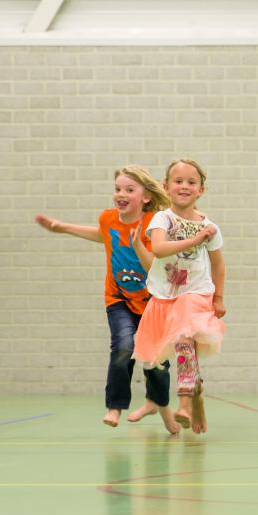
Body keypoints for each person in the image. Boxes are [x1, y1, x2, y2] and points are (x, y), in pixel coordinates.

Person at [35, 166, 177, 432]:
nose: (120, 194)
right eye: (117, 189)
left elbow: (153, 267)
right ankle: (115, 406)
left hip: (151, 301)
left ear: (145, 197)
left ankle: (161, 408)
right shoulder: (108, 219)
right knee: (124, 347)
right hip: (118, 299)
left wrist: (137, 245)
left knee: (155, 358)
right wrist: (62, 227)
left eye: (129, 190)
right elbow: (102, 235)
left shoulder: (152, 224)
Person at [133, 159, 226, 433]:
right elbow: (160, 249)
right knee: (171, 356)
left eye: (191, 182)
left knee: (185, 339)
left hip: (195, 294)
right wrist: (195, 240)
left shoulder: (209, 226)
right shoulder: (162, 218)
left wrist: (219, 298)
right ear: (166, 186)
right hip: (165, 297)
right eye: (178, 181)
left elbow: (219, 264)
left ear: (201, 190)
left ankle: (184, 403)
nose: (184, 186)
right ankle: (197, 400)